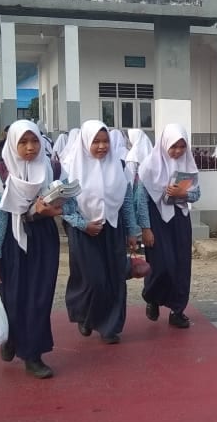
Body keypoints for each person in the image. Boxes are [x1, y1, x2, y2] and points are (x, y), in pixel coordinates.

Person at [0, 120, 62, 379]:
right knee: (14, 296)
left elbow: (66, 204)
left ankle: (33, 355)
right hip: (13, 242)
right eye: (23, 142)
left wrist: (53, 210)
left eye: (35, 141)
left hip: (43, 240)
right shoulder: (1, 173)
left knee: (40, 297)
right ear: (12, 143)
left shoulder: (50, 169)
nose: (30, 148)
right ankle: (12, 338)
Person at [59, 121, 140, 345]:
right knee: (93, 279)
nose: (102, 146)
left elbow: (125, 201)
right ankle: (85, 315)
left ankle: (110, 326)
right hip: (84, 232)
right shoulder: (69, 168)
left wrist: (132, 231)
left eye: (105, 141)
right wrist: (83, 224)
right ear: (85, 142)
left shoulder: (118, 166)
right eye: (96, 141)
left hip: (113, 229)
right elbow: (64, 206)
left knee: (115, 279)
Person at [137, 124, 201, 329]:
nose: (178, 151)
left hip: (180, 219)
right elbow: (141, 199)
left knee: (181, 266)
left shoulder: (188, 164)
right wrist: (145, 228)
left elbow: (197, 194)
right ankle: (152, 298)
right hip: (157, 221)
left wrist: (183, 195)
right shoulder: (149, 166)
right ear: (164, 144)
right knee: (160, 265)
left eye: (182, 146)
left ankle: (177, 310)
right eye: (174, 146)